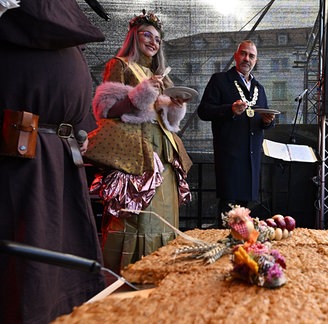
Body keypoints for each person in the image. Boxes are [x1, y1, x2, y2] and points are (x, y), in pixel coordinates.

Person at [0, 1, 106, 322]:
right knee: (30, 271)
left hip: (60, 152)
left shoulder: (64, 19)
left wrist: (80, 125)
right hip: (20, 155)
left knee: (63, 264)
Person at [88, 10, 193, 274]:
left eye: (158, 39)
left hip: (163, 153)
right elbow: (106, 109)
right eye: (148, 35)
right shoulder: (119, 65)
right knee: (134, 219)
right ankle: (125, 280)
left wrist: (174, 106)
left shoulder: (159, 74)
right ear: (135, 36)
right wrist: (145, 93)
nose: (153, 42)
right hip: (134, 155)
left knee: (163, 219)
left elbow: (163, 118)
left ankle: (158, 277)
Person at [197, 40, 276, 225]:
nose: (246, 59)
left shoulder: (259, 88)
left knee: (246, 212)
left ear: (256, 61)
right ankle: (225, 246)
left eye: (251, 56)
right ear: (235, 55)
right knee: (228, 209)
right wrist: (230, 109)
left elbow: (260, 121)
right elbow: (204, 111)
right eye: (243, 53)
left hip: (251, 159)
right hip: (230, 157)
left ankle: (243, 248)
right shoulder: (220, 80)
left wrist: (267, 122)